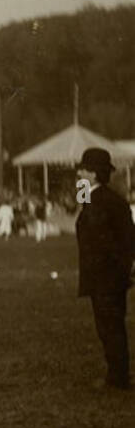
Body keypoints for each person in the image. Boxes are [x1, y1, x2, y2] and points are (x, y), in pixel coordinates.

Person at [75, 148, 134, 390]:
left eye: (83, 170)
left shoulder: (102, 202)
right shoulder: (108, 199)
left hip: (105, 275)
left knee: (109, 326)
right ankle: (117, 373)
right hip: (110, 275)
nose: (78, 173)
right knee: (111, 325)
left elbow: (103, 238)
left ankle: (118, 376)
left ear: (93, 173)